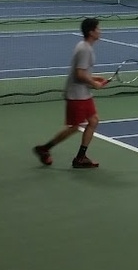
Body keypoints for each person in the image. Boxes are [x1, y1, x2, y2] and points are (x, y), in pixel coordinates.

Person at [33, 17, 108, 169]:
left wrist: (94, 77)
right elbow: (79, 74)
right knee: (74, 127)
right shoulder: (84, 49)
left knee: (93, 121)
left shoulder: (85, 46)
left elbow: (81, 72)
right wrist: (95, 84)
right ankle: (44, 149)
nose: (101, 31)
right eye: (98, 29)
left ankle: (81, 157)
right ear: (91, 32)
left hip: (84, 93)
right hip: (76, 95)